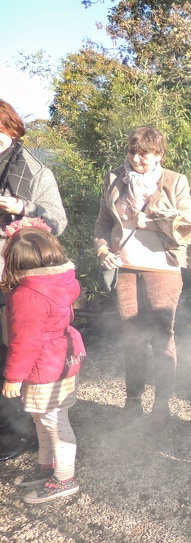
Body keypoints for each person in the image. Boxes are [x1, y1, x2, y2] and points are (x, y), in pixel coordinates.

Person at [94, 127, 191, 429]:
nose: (136, 157)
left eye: (144, 152)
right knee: (131, 336)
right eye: (132, 151)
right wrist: (103, 251)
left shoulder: (174, 181)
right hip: (126, 267)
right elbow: (103, 223)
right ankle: (132, 404)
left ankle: (162, 405)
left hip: (163, 268)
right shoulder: (114, 177)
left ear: (159, 153)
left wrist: (154, 224)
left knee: (161, 336)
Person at [0, 99, 68, 461]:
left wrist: (24, 208)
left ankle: (19, 430)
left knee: (13, 347)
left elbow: (57, 221)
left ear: (11, 130)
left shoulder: (34, 170)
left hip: (14, 270)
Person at [1, 220, 85, 503]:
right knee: (44, 418)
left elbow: (25, 341)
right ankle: (47, 466)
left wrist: (13, 377)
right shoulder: (59, 281)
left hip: (44, 367)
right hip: (62, 359)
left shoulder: (27, 295)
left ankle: (64, 478)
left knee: (53, 421)